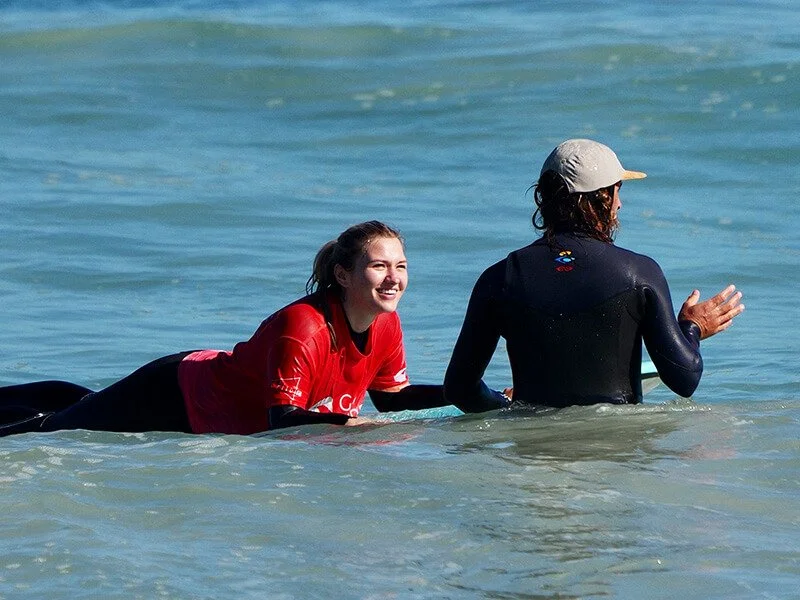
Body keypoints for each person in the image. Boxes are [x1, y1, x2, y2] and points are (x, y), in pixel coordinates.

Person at [0, 221, 509, 437]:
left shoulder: (386, 323)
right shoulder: (303, 325)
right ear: (343, 274)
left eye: (401, 265)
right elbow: (280, 418)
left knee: (79, 406)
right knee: (53, 428)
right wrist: (344, 426)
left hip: (206, 400)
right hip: (180, 393)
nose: (394, 278)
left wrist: (476, 396)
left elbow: (393, 399)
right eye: (379, 266)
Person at [444, 139, 744, 410]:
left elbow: (460, 389)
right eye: (617, 191)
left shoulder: (501, 277)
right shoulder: (639, 273)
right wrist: (692, 327)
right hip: (615, 455)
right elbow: (684, 380)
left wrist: (506, 405)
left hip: (535, 458)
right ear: (601, 198)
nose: (620, 203)